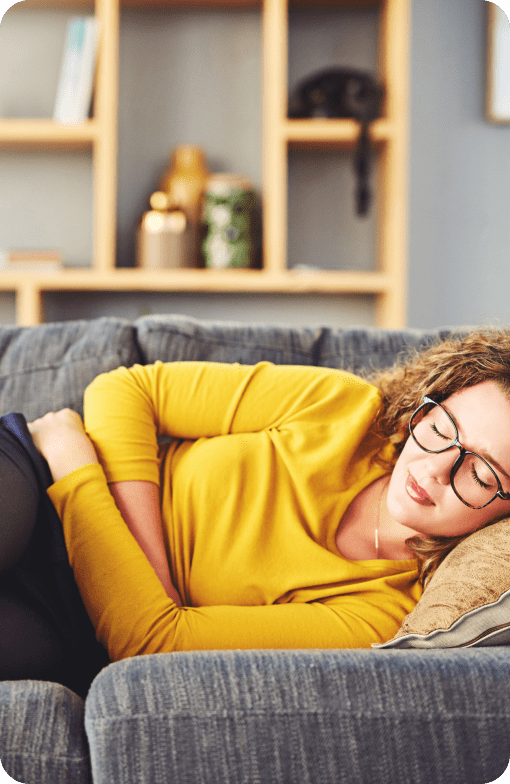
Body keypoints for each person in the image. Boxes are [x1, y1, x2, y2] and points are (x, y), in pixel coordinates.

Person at [24, 328, 510, 665]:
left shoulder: (385, 613)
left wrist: (77, 470)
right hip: (35, 488)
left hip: (67, 612)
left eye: (481, 474)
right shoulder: (342, 409)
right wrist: (151, 582)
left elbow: (152, 645)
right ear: (421, 411)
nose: (435, 468)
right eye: (443, 428)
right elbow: (127, 390)